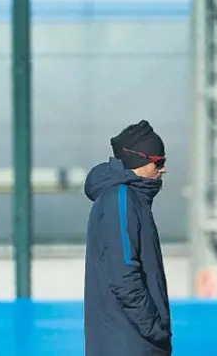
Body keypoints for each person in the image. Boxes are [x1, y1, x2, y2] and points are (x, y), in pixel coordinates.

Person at [83, 120, 172, 356]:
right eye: (159, 162)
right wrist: (154, 329)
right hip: (129, 345)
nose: (163, 169)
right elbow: (124, 275)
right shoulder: (120, 198)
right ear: (140, 161)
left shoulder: (128, 198)